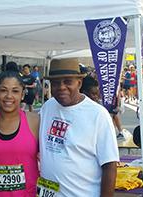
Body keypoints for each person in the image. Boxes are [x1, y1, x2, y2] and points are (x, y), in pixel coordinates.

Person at [39, 58, 119, 196]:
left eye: (68, 82)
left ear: (79, 83)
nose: (61, 87)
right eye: (56, 83)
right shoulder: (47, 107)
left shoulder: (98, 114)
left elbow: (110, 166)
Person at [0, 70, 39, 197]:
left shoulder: (35, 121)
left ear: (22, 94)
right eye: (3, 90)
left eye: (15, 91)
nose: (9, 96)